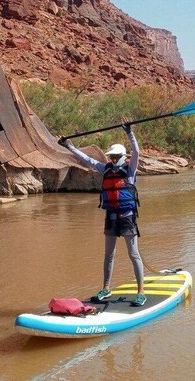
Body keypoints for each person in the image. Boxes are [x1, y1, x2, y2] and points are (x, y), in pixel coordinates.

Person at [59, 121, 146, 306]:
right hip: (111, 218)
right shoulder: (105, 168)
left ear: (122, 157)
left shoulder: (130, 170)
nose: (113, 160)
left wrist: (130, 133)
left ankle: (141, 291)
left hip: (127, 217)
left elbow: (137, 152)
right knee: (108, 255)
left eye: (115, 157)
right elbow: (87, 160)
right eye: (111, 157)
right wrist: (70, 147)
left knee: (133, 254)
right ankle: (106, 288)